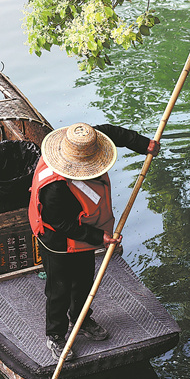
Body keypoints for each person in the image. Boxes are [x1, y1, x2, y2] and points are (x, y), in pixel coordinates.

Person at [28, 122, 159, 361]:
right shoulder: (54, 188)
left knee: (84, 280)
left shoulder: (85, 141)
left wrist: (143, 144)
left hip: (84, 237)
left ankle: (81, 320)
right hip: (57, 241)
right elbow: (61, 223)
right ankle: (55, 334)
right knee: (59, 288)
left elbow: (113, 132)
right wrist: (100, 237)